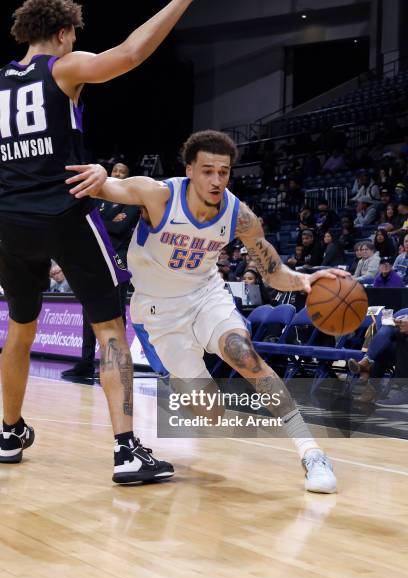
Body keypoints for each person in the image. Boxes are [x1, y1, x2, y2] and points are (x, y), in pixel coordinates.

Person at [68, 129, 352, 494]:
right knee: (212, 415)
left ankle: (311, 452)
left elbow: (274, 272)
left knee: (245, 355)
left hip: (206, 296)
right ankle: (181, 384)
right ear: (189, 170)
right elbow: (110, 188)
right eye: (207, 171)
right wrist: (98, 175)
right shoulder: (158, 195)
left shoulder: (240, 216)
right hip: (160, 313)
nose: (217, 180)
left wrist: (307, 280)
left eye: (224, 171)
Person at [0, 0, 193, 485]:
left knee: (21, 329)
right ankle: (127, 449)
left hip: (9, 220)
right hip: (64, 209)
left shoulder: (1, 80)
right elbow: (128, 54)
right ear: (64, 33)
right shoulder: (63, 67)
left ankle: (8, 431)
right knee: (110, 329)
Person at [61, 162, 139, 378]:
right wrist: (107, 222)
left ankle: (119, 364)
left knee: (117, 313)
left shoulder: (133, 201)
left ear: (127, 177)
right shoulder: (98, 199)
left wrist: (101, 222)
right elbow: (89, 225)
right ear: (110, 173)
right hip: (96, 260)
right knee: (89, 312)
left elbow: (119, 228)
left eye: (123, 172)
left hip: (119, 260)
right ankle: (85, 363)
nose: (118, 174)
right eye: (116, 171)